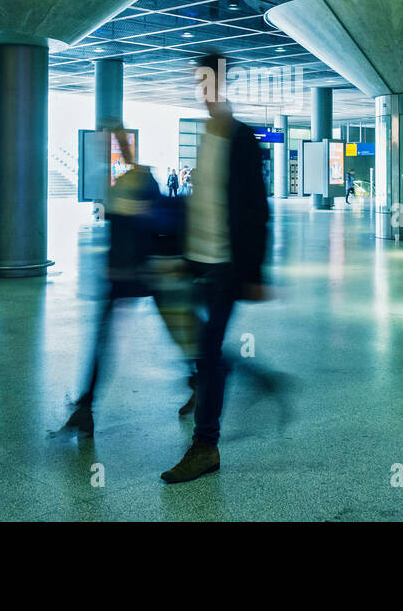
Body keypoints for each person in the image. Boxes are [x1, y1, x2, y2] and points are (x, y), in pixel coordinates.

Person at [161, 51, 272, 484]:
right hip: (199, 259)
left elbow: (256, 209)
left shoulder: (241, 138)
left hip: (227, 264)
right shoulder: (205, 136)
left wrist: (256, 272)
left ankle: (206, 445)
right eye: (199, 81)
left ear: (223, 85)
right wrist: (183, 257)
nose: (203, 89)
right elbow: (201, 202)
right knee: (202, 346)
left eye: (209, 81)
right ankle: (243, 377)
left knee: (208, 349)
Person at [62, 128, 197, 436]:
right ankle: (86, 407)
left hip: (141, 272)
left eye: (120, 142)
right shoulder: (122, 182)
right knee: (109, 338)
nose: (118, 147)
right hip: (130, 274)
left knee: (175, 330)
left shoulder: (140, 180)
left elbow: (140, 226)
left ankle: (204, 377)